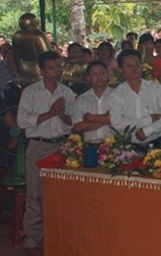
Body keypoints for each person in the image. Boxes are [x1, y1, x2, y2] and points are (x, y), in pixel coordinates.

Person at [17, 51, 76, 256]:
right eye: (51, 68)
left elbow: (74, 122)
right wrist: (50, 113)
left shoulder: (67, 92)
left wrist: (62, 115)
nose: (56, 71)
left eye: (58, 67)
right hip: (39, 145)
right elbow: (22, 122)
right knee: (35, 194)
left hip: (62, 145)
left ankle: (61, 236)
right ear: (41, 70)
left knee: (63, 194)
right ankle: (33, 237)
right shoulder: (30, 92)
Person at [108, 49, 161, 147]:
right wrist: (148, 120)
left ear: (141, 66)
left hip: (157, 145)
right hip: (129, 147)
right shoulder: (117, 94)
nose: (134, 68)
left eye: (137, 64)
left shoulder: (156, 88)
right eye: (129, 65)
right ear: (121, 69)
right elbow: (118, 124)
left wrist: (147, 131)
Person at [72, 61, 113, 144]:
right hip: (89, 147)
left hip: (114, 146)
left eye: (102, 73)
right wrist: (107, 119)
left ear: (108, 75)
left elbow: (120, 120)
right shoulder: (82, 99)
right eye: (94, 74)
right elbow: (78, 126)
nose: (99, 77)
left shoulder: (117, 96)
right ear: (88, 78)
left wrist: (90, 118)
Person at [12, 13, 52, 85]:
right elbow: (48, 54)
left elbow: (16, 57)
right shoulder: (38, 35)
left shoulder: (16, 36)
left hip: (23, 68)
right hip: (39, 69)